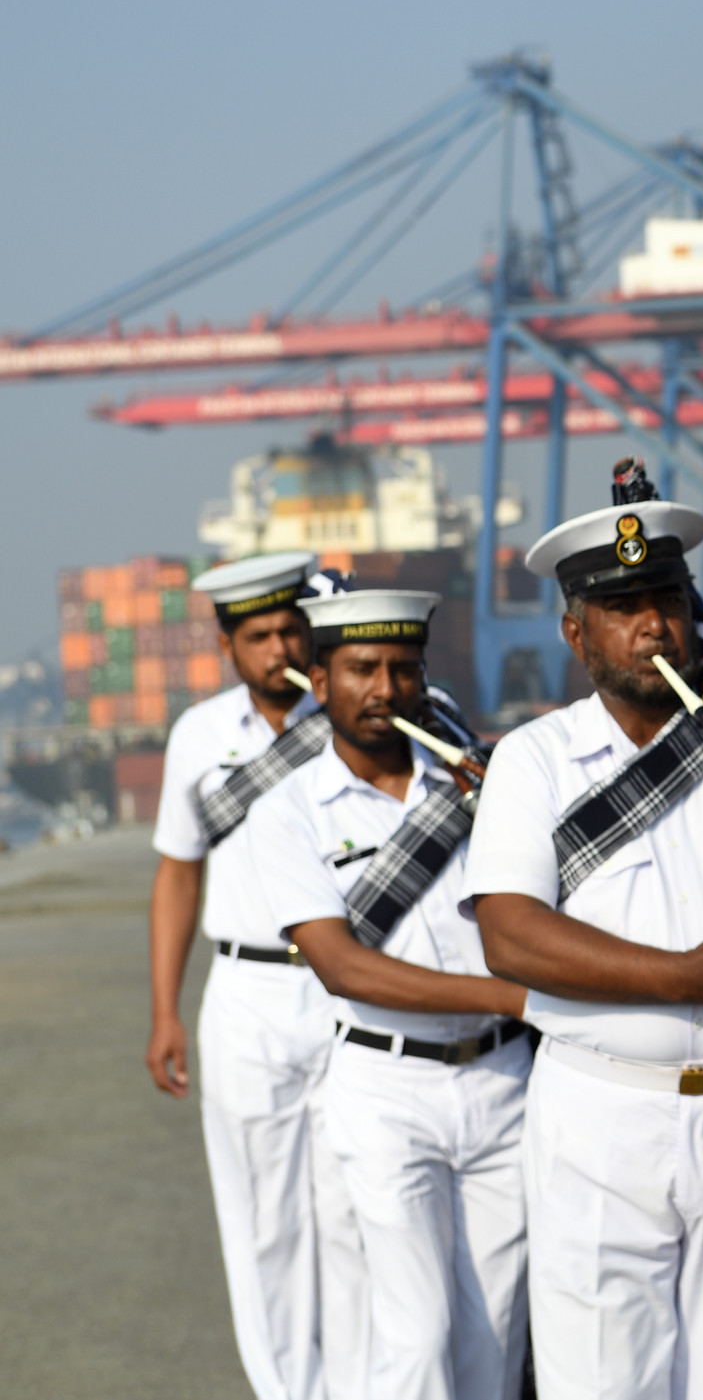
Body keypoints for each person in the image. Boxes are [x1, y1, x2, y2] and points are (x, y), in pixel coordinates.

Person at [466, 488, 703, 1400]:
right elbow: (510, 936)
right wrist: (692, 978)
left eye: (667, 601)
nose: (653, 627)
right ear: (576, 633)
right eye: (623, 609)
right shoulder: (535, 758)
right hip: (602, 1120)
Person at [250, 589, 530, 1400]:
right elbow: (342, 967)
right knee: (417, 1334)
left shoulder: (483, 785)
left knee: (495, 1334)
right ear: (319, 680)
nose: (385, 688)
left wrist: (508, 797)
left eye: (403, 669)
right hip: (385, 1090)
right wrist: (514, 997)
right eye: (361, 669)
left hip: (504, 1084)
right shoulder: (288, 811)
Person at [147, 550, 367, 1400]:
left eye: (290, 630)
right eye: (258, 634)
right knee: (264, 1224)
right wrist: (165, 1010)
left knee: (354, 1213)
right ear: (225, 642)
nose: (278, 647)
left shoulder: (361, 715)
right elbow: (177, 872)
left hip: (352, 987)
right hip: (244, 996)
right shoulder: (197, 736)